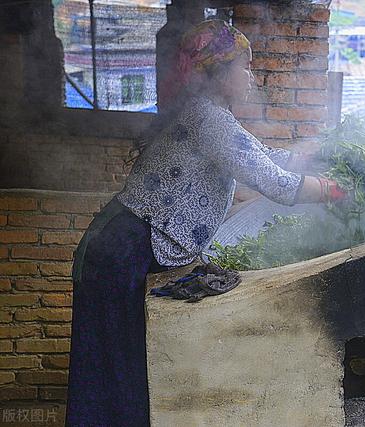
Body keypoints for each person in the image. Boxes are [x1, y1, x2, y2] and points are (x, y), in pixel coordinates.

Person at [65, 19, 345, 426]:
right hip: (117, 249)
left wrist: (321, 155)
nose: (251, 77)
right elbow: (275, 183)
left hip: (120, 244)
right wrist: (335, 190)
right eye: (244, 67)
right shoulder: (207, 120)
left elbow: (266, 157)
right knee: (112, 371)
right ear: (219, 73)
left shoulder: (211, 116)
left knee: (118, 366)